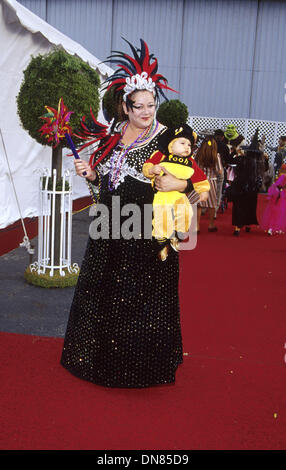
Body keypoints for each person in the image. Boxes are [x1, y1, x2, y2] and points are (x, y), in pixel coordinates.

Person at [60, 38, 209, 388]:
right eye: (139, 106)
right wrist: (92, 174)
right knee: (104, 290)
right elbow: (105, 186)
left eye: (151, 104)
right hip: (109, 225)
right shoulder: (114, 135)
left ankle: (138, 366)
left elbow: (195, 188)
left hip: (146, 230)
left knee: (141, 299)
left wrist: (175, 189)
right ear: (125, 108)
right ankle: (100, 358)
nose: (146, 111)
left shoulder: (168, 141)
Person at [142, 124, 209, 260]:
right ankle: (162, 244)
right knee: (162, 218)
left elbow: (199, 177)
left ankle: (178, 237)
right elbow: (148, 165)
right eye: (182, 143)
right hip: (163, 196)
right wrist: (151, 170)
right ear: (171, 145)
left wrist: (203, 190)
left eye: (189, 145)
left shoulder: (190, 162)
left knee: (186, 213)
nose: (187, 147)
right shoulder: (162, 155)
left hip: (180, 196)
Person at [228, 129, 266, 236]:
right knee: (250, 205)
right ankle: (248, 225)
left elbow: (230, 161)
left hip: (240, 186)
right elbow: (264, 172)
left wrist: (235, 153)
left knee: (239, 206)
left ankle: (237, 228)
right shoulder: (259, 162)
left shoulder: (241, 159)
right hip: (253, 187)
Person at [195, 137, 223, 232]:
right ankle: (211, 224)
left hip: (199, 181)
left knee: (199, 204)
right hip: (211, 181)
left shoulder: (198, 154)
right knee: (211, 204)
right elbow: (219, 171)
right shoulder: (216, 156)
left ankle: (197, 226)